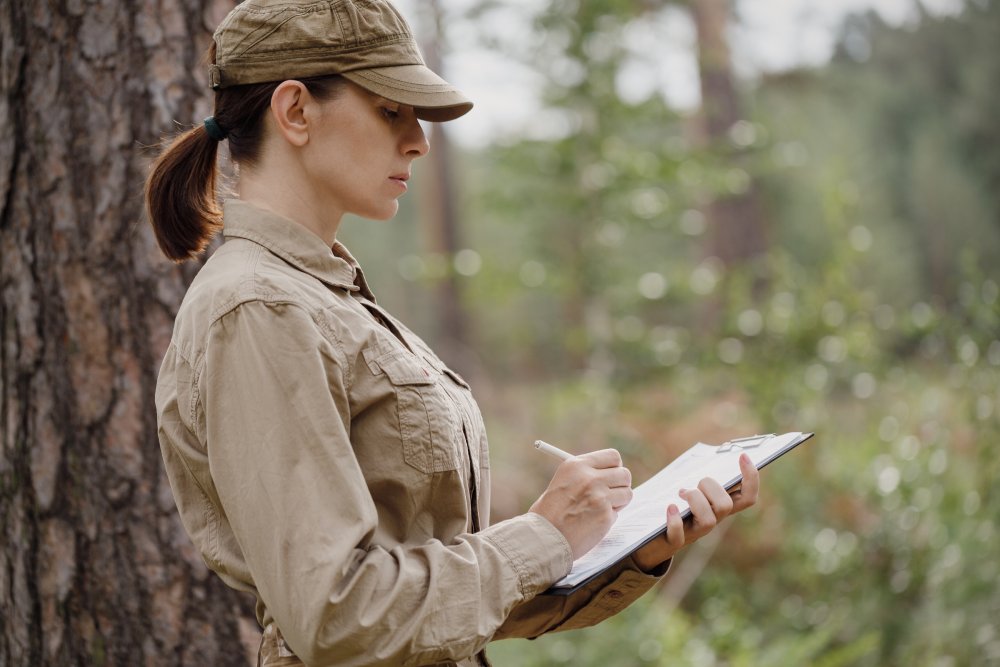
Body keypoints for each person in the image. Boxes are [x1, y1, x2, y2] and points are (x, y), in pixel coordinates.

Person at [146, 1, 760, 665]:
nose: (418, 140)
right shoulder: (258, 309)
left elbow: (439, 606)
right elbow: (339, 615)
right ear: (294, 111)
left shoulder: (324, 299)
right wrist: (543, 532)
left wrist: (632, 544)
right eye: (390, 110)